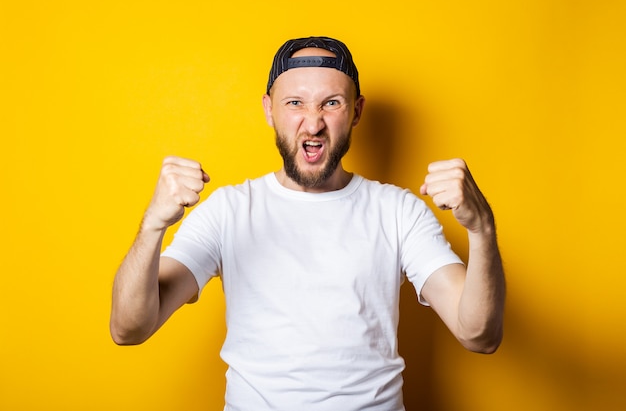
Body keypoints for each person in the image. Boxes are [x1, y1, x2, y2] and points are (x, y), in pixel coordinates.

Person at [110, 36, 505, 411]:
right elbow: (129, 329)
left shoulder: (398, 211)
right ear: (269, 109)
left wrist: (482, 228)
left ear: (356, 111)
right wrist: (152, 228)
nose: (313, 123)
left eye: (331, 103)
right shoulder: (229, 210)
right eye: (295, 103)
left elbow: (478, 334)